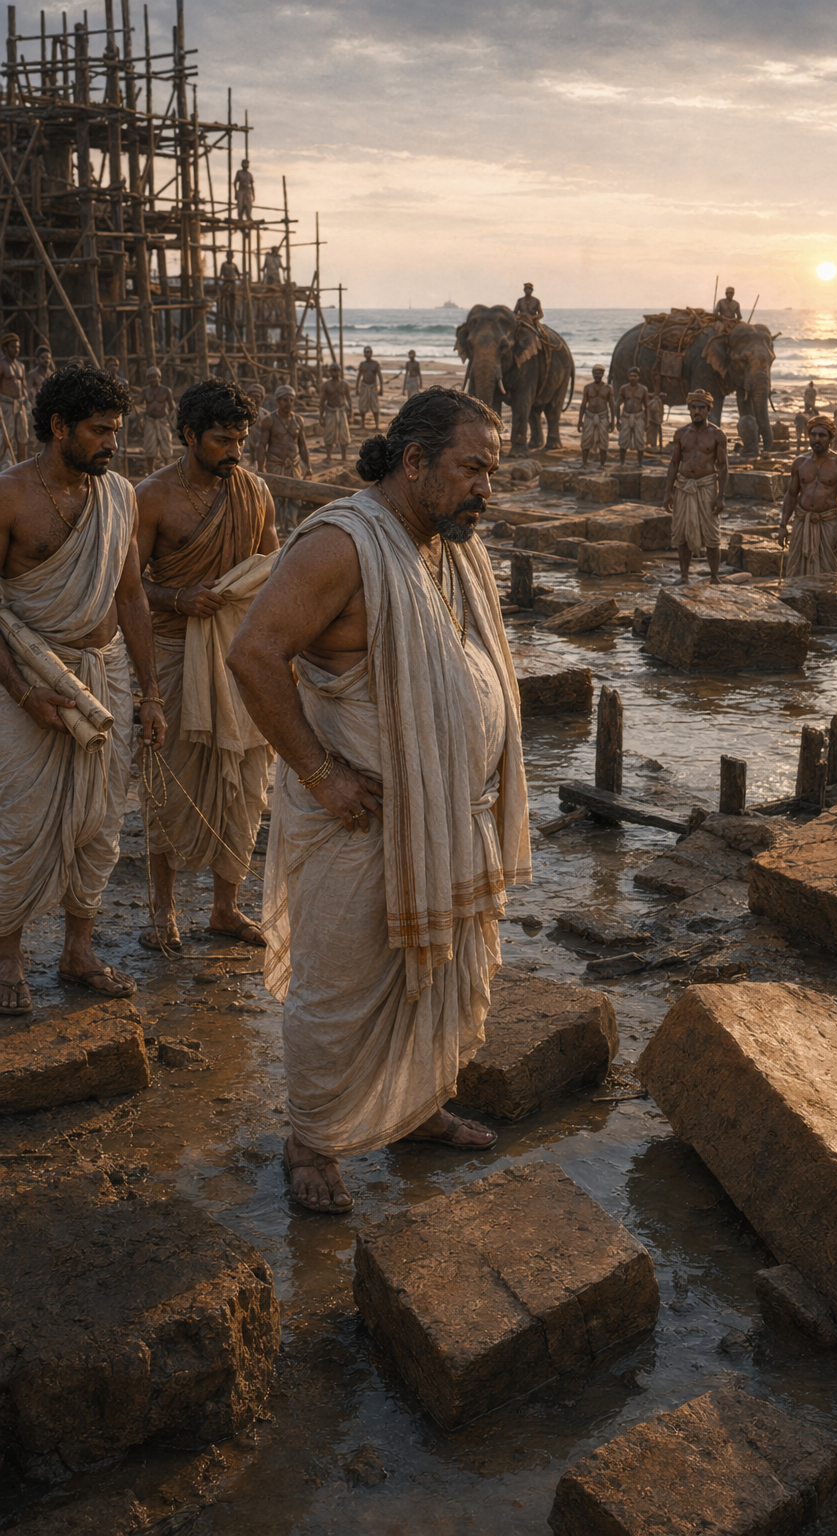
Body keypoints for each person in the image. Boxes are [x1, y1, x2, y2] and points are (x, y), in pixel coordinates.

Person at [227, 387, 531, 1214]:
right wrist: (321, 773)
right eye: (472, 468)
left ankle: (416, 1106)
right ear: (415, 461)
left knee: (427, 980)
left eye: (492, 472)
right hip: (361, 822)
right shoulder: (341, 545)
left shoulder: (444, 544)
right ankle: (311, 1142)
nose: (485, 488)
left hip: (446, 821)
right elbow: (254, 655)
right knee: (346, 985)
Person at [0, 365, 166, 1014]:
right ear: (59, 427)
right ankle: (8, 957)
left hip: (103, 674)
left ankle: (77, 950)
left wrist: (150, 694)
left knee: (100, 824)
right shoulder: (10, 496)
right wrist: (22, 695)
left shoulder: (118, 495)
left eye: (116, 432)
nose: (112, 444)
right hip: (28, 677)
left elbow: (131, 598)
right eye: (100, 432)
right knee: (21, 821)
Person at [135, 381, 278, 953]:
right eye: (223, 440)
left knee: (244, 782)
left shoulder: (255, 491)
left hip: (238, 654)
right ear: (190, 435)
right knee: (168, 783)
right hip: (171, 655)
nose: (235, 451)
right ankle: (163, 911)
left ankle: (225, 908)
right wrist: (178, 599)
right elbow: (127, 591)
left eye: (241, 439)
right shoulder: (151, 498)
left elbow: (272, 574)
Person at [663, 389, 728, 584]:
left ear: (709, 410)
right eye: (694, 407)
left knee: (711, 533)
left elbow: (723, 466)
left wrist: (721, 496)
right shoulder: (681, 434)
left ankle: (714, 576)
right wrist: (668, 492)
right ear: (689, 409)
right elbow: (674, 464)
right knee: (681, 532)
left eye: (702, 407)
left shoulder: (717, 435)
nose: (697, 411)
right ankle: (684, 576)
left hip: (707, 485)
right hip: (683, 486)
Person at [778, 416, 837, 576]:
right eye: (813, 435)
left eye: (822, 435)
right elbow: (791, 495)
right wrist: (783, 525)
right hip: (801, 521)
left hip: (828, 523)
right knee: (796, 569)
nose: (816, 439)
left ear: (830, 438)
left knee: (829, 571)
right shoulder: (800, 462)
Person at [257, 384, 310, 534]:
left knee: (295, 496)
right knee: (276, 497)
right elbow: (261, 445)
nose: (288, 403)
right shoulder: (269, 420)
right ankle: (276, 526)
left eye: (291, 400)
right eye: (285, 400)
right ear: (278, 401)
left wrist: (308, 467)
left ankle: (291, 523)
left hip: (294, 464)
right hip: (276, 463)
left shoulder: (298, 421)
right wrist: (261, 469)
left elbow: (303, 447)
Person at [137, 366, 175, 474]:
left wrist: (171, 421)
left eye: (155, 377)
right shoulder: (145, 391)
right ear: (147, 379)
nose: (153, 379)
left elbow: (173, 407)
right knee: (150, 450)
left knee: (166, 449)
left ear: (160, 377)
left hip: (163, 421)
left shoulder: (166, 390)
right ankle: (150, 473)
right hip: (149, 421)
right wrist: (139, 420)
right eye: (151, 377)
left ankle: (167, 473)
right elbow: (137, 405)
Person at [0, 332, 29, 468]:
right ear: (6, 348)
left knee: (23, 437)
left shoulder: (21, 366)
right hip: (6, 405)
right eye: (13, 347)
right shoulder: (1, 365)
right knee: (7, 437)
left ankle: (22, 466)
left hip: (21, 405)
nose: (16, 350)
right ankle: (3, 465)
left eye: (18, 347)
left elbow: (23, 387)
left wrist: (26, 403)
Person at [577, 364, 614, 468]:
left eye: (599, 373)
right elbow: (583, 404)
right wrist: (580, 420)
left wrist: (613, 421)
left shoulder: (608, 388)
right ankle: (584, 462)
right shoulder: (587, 387)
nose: (597, 375)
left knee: (603, 440)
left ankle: (602, 464)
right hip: (589, 416)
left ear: (603, 374)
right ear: (592, 374)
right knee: (586, 439)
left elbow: (612, 405)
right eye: (595, 373)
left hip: (603, 416)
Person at [320, 364, 353, 464]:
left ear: (340, 370)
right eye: (333, 370)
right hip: (330, 411)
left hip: (342, 411)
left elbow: (349, 399)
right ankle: (329, 457)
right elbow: (322, 401)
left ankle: (344, 457)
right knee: (329, 434)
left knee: (344, 434)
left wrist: (350, 412)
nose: (335, 372)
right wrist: (321, 416)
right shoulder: (326, 385)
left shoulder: (345, 384)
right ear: (330, 371)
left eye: (337, 370)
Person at [616, 367, 649, 467]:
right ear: (628, 376)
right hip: (626, 416)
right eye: (631, 376)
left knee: (640, 440)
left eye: (635, 376)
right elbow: (618, 404)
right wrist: (617, 420)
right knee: (623, 440)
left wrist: (648, 421)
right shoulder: (624, 388)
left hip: (639, 417)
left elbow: (647, 406)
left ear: (638, 377)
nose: (632, 378)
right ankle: (622, 463)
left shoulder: (643, 389)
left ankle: (640, 463)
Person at [26, 345, 55, 454]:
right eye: (43, 358)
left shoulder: (51, 375)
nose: (46, 360)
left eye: (48, 357)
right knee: (34, 437)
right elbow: (28, 391)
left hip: (49, 409)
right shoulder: (32, 374)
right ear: (37, 359)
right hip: (35, 409)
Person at [355, 347, 384, 429]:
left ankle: (377, 425)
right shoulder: (362, 364)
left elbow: (380, 377)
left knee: (375, 406)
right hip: (364, 386)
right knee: (362, 405)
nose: (367, 354)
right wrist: (357, 388)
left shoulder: (375, 364)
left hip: (373, 386)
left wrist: (381, 389)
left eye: (368, 352)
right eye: (366, 352)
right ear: (364, 354)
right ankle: (363, 424)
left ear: (371, 353)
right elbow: (358, 376)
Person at [244, 382, 269, 466]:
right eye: (252, 396)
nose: (255, 399)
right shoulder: (240, 414)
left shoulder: (266, 416)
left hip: (261, 454)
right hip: (244, 454)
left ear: (262, 399)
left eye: (257, 397)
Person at [219, 252, 241, 340]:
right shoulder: (224, 265)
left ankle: (231, 316)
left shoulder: (234, 265)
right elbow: (220, 275)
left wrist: (240, 278)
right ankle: (225, 313)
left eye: (231, 256)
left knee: (232, 303)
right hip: (226, 284)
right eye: (228, 256)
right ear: (226, 256)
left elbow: (238, 274)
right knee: (225, 300)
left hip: (232, 285)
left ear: (232, 257)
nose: (229, 257)